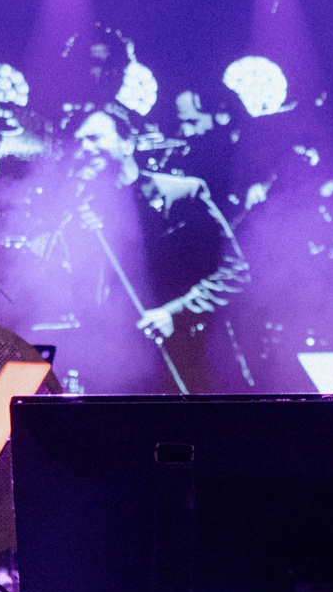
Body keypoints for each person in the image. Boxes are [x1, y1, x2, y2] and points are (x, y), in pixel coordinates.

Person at [70, 107, 248, 392]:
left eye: (94, 138)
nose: (84, 149)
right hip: (119, 371)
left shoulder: (183, 193)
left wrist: (174, 313)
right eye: (79, 141)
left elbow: (234, 272)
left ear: (128, 143)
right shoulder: (82, 212)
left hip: (188, 358)